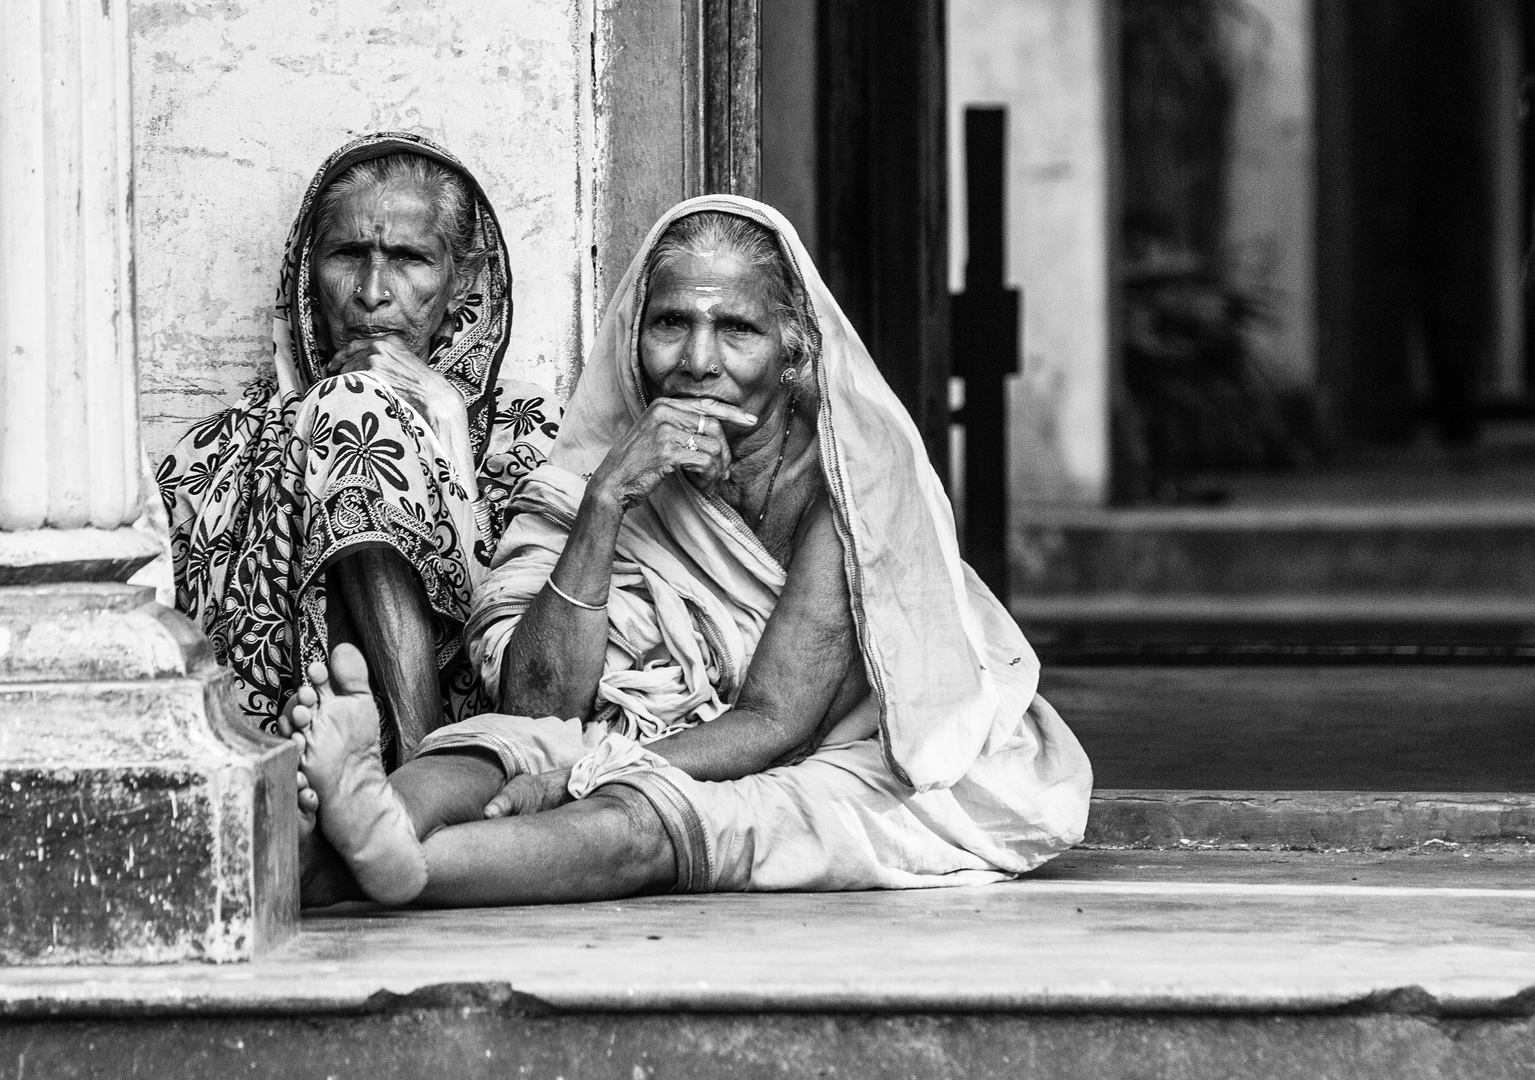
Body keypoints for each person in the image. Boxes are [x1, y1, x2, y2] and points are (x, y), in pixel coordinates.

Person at [287, 196, 1092, 907]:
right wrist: (608, 501)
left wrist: (583, 774)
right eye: (672, 323)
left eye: (735, 328)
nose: (698, 360)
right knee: (487, 748)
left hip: (829, 756)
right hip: (631, 723)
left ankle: (404, 871)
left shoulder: (847, 489)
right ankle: (367, 828)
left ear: (794, 349)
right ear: (636, 336)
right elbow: (539, 700)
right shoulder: (599, 467)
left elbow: (774, 721)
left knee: (638, 819)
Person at [156, 133, 559, 765]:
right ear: (307, 275)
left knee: (352, 412)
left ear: (461, 283)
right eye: (347, 254)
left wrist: (447, 431)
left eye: (408, 259)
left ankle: (420, 780)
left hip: (483, 759)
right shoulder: (218, 452)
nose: (373, 290)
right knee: (348, 410)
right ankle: (401, 794)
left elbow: (533, 655)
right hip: (283, 766)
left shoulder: (526, 425)